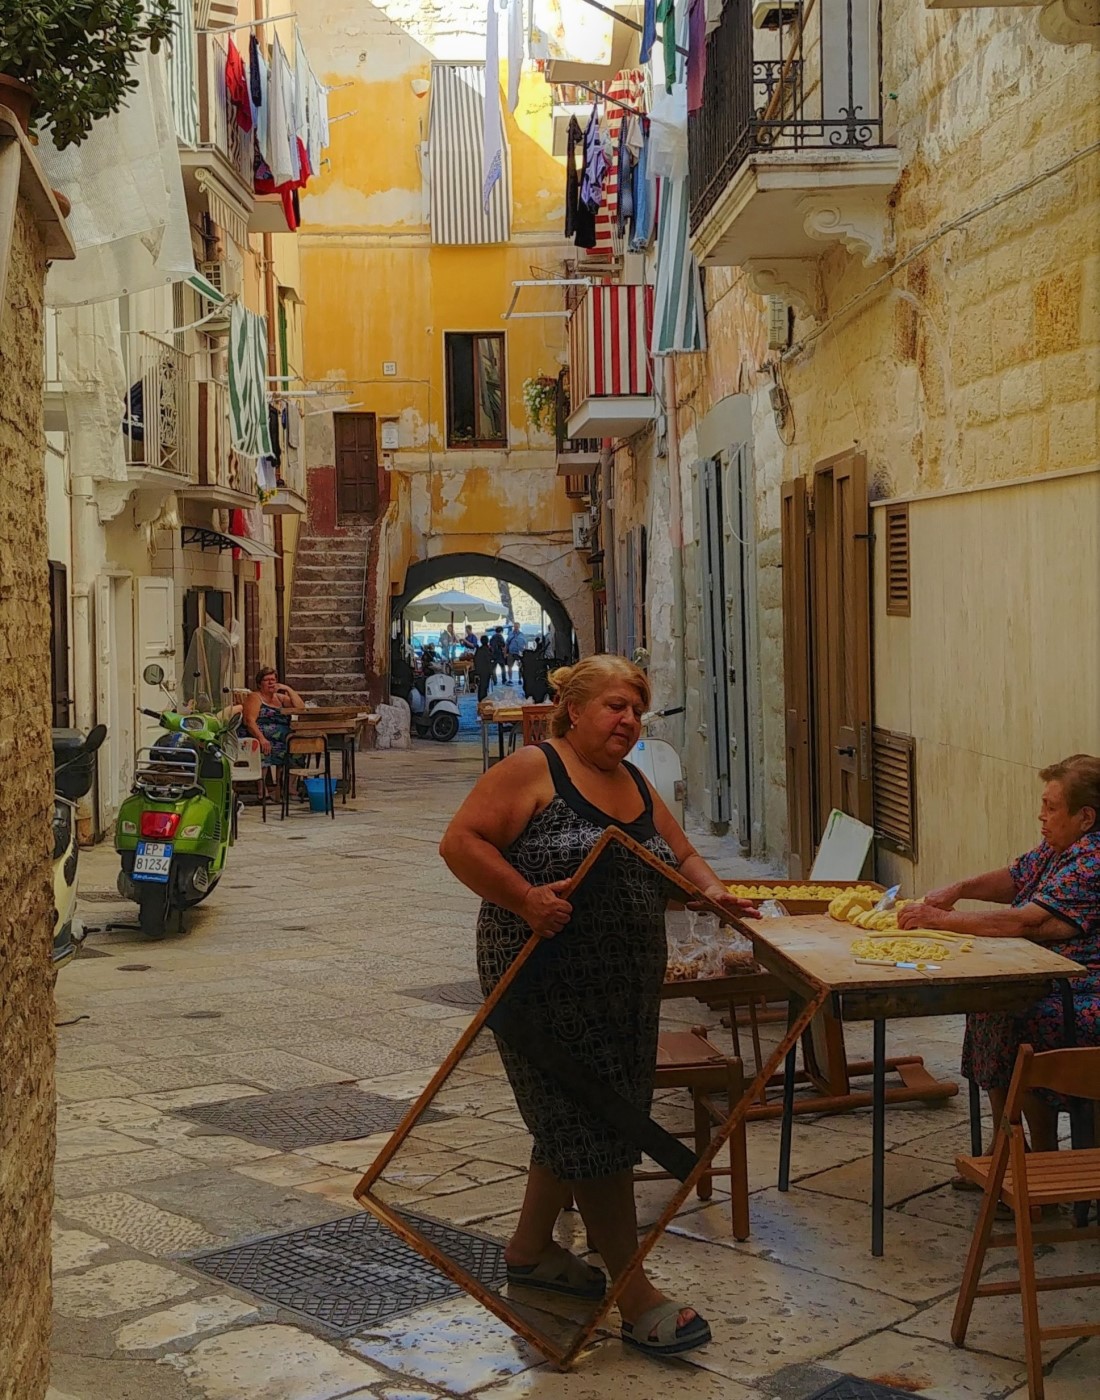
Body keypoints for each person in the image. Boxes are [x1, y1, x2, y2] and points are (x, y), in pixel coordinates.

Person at [439, 654, 757, 1357]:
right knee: (598, 1127)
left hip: (623, 989)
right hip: (540, 982)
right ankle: (634, 1292)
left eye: (636, 710)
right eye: (615, 706)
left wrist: (714, 891)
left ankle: (529, 1250)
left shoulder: (634, 784)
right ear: (574, 710)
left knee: (576, 1119)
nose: (628, 721)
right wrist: (524, 898)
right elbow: (459, 843)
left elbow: (680, 856)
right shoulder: (532, 770)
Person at [899, 754, 1100, 1155]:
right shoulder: (1059, 847)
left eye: (1051, 807)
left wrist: (937, 919)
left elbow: (1023, 923)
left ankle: (1039, 1154)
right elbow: (1016, 877)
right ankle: (1007, 1144)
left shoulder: (1092, 860)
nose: (1041, 816)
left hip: (1084, 988)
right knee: (988, 1001)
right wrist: (957, 890)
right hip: (1050, 976)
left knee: (1015, 1015)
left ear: (1086, 817)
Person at [241, 668, 304, 785]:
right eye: (267, 680)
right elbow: (249, 721)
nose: (271, 683)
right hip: (262, 737)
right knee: (264, 750)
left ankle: (289, 787)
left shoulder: (280, 698)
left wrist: (288, 689)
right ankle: (262, 790)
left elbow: (300, 708)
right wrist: (262, 739)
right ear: (260, 683)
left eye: (273, 680)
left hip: (283, 738)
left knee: (298, 747)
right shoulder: (255, 697)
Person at [472, 634, 494, 702]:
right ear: (487, 641)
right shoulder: (487, 650)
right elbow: (489, 660)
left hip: (479, 670)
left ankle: (481, 699)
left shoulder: (479, 650)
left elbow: (475, 659)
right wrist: (491, 672)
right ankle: (483, 700)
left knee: (481, 686)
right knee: (484, 687)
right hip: (486, 670)